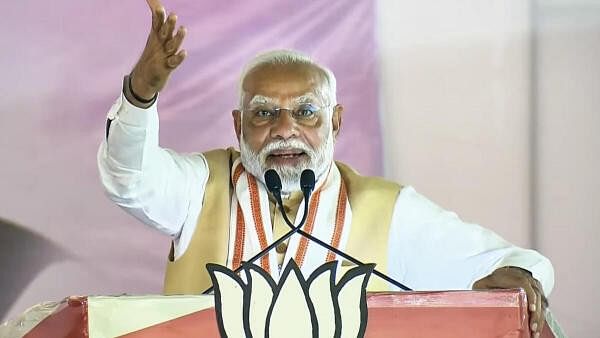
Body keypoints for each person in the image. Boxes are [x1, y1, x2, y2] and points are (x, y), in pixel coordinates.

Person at [97, 1, 553, 336]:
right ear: (238, 127)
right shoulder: (201, 186)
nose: (284, 130)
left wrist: (521, 281)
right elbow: (129, 178)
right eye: (263, 114)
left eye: (306, 113)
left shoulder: (385, 208)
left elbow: (513, 265)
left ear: (336, 122)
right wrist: (140, 95)